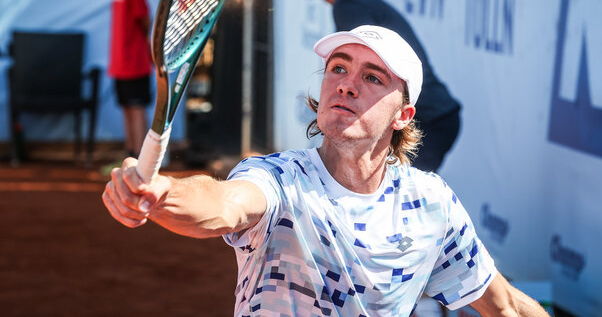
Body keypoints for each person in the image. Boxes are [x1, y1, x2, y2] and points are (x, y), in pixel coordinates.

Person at [102, 25, 549, 317]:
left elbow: (504, 306)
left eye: (373, 77)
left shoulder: (430, 203)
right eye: (338, 67)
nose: (347, 82)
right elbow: (222, 206)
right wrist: (162, 193)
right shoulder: (280, 180)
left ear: (403, 115)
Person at [281, 0, 461, 173]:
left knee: (387, 199)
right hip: (426, 116)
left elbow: (360, 80)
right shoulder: (351, 0)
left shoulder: (349, 3)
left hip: (428, 120)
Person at [105, 0, 153, 159]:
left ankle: (140, 161)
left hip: (135, 62)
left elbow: (145, 20)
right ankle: (130, 156)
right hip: (120, 63)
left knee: (136, 109)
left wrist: (145, 48)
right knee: (127, 108)